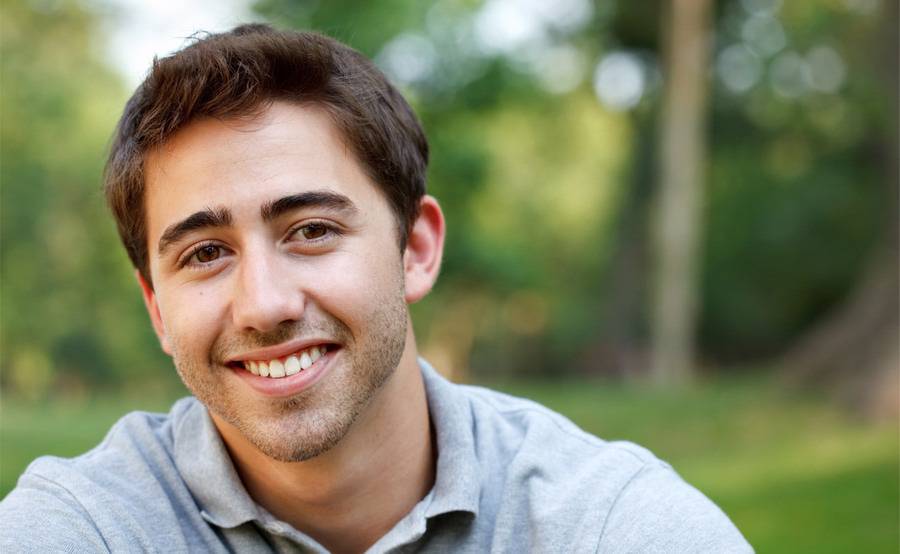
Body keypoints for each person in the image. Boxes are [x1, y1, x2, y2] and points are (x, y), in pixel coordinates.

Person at [0, 24, 752, 553]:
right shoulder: (86, 530)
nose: (265, 305)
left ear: (415, 249)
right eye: (204, 252)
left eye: (312, 231)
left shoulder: (603, 525)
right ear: (157, 310)